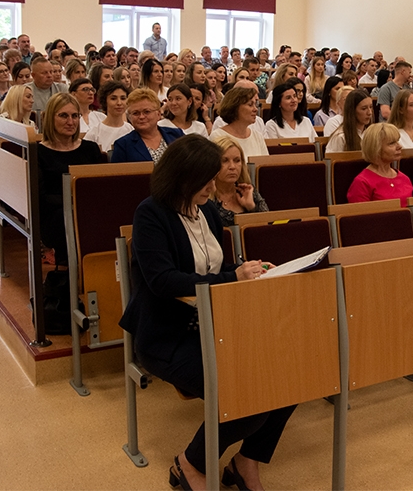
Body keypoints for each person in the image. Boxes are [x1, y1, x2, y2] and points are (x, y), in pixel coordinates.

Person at [118, 134, 292, 491]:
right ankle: (190, 463)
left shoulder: (207, 210)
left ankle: (247, 460)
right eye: (206, 179)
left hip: (215, 326)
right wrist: (232, 276)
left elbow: (214, 266)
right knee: (248, 393)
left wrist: (248, 268)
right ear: (179, 178)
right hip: (167, 335)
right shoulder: (151, 213)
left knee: (288, 376)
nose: (213, 186)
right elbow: (163, 281)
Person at [37, 94, 105, 265]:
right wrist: (74, 205)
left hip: (89, 211)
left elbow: (99, 188)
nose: (71, 122)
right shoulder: (38, 152)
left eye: (75, 116)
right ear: (50, 118)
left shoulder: (90, 149)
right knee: (68, 221)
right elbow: (40, 197)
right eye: (63, 115)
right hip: (55, 215)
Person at [347, 123, 413, 207]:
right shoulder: (362, 183)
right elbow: (359, 218)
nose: (399, 146)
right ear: (376, 148)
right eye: (392, 143)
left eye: (397, 141)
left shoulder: (404, 178)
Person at [111, 89, 184, 164]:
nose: (141, 117)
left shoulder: (177, 135)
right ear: (129, 117)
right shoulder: (123, 145)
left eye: (147, 112)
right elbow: (117, 174)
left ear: (158, 114)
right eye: (136, 113)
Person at [210, 136, 270, 226]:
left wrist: (251, 207)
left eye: (237, 160)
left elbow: (268, 226)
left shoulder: (248, 190)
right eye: (224, 161)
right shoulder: (206, 198)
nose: (232, 166)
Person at [209, 85, 269, 158]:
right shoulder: (218, 136)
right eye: (250, 105)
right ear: (235, 107)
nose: (255, 109)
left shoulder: (257, 136)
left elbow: (264, 164)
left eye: (255, 104)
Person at [85, 81, 133, 153]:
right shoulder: (94, 133)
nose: (119, 103)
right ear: (105, 101)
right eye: (113, 98)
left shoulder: (130, 130)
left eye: (123, 98)